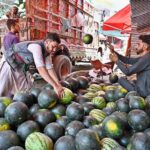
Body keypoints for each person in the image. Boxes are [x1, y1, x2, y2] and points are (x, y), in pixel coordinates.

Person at [0, 32, 64, 98]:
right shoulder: (36, 47)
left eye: (56, 47)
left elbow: (50, 69)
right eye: (53, 46)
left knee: (24, 91)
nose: (54, 50)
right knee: (2, 89)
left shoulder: (47, 53)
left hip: (20, 66)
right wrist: (55, 86)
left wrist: (58, 84)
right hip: (9, 61)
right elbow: (41, 69)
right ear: (47, 42)